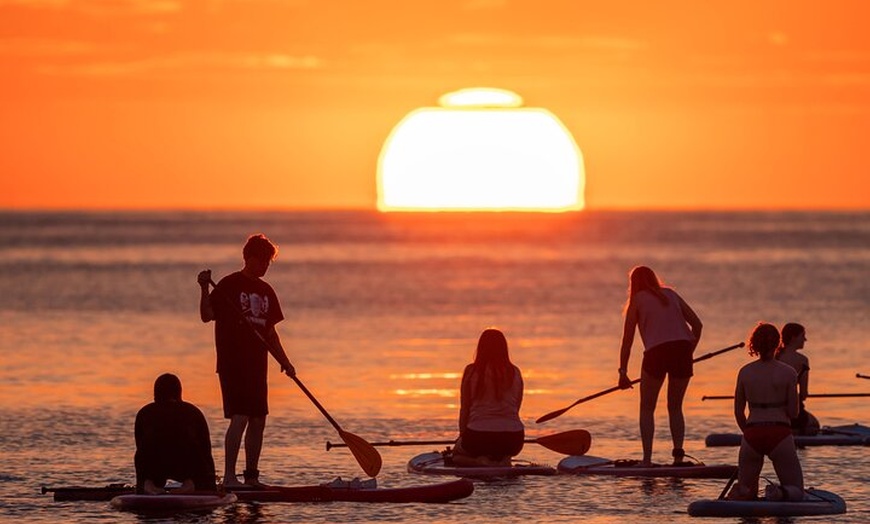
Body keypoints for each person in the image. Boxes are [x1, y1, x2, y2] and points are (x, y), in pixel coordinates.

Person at [198, 234, 295, 487]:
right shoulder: (228, 285)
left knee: (258, 419)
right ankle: (229, 478)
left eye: (268, 263)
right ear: (250, 259)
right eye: (262, 262)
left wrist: (284, 361)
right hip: (233, 364)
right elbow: (207, 315)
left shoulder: (266, 291)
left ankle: (251, 477)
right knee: (239, 417)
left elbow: (271, 334)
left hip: (257, 365)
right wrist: (204, 288)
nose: (265, 267)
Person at [617, 266, 703, 466]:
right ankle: (678, 458)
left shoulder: (636, 301)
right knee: (675, 407)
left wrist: (623, 372)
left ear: (634, 284)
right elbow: (698, 325)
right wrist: (689, 352)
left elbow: (627, 340)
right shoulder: (671, 294)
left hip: (656, 353)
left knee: (647, 408)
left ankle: (647, 459)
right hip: (682, 351)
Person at [727, 323, 804, 501]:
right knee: (797, 491)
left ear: (754, 345)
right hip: (780, 433)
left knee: (748, 491)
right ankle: (777, 492)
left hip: (752, 433)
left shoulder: (745, 372)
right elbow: (793, 413)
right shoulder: (789, 373)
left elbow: (739, 412)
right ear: (778, 343)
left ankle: (743, 491)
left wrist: (748, 433)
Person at [134, 373, 216, 494]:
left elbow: (140, 447)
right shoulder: (193, 412)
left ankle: (148, 483)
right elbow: (205, 450)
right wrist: (209, 483)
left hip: (155, 464)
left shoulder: (144, 412)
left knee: (146, 452)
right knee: (196, 456)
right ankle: (191, 483)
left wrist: (141, 480)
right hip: (185, 463)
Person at [454, 328, 525, 467]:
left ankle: (479, 461)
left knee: (456, 456)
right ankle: (505, 459)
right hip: (513, 440)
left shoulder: (471, 371)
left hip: (479, 437)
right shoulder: (514, 372)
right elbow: (516, 408)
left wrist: (462, 437)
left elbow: (465, 408)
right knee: (503, 454)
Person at [777, 322, 820, 436]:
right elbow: (804, 394)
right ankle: (793, 430)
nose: (805, 339)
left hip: (774, 410)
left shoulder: (774, 357)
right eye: (803, 336)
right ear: (793, 338)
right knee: (815, 426)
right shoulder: (802, 361)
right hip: (794, 412)